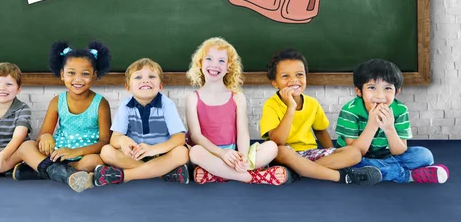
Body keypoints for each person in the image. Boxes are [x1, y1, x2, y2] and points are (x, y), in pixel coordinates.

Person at [260, 48, 381, 185]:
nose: (294, 80)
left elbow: (320, 131)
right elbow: (277, 141)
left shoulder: (312, 103)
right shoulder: (271, 105)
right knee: (281, 151)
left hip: (310, 154)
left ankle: (300, 171)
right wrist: (291, 108)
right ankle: (339, 176)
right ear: (274, 82)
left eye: (299, 74)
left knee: (354, 153)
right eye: (285, 76)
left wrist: (332, 152)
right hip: (285, 155)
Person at [186, 37, 293, 185]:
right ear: (200, 63)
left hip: (234, 154)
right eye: (209, 59)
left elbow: (242, 132)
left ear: (229, 67)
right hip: (209, 153)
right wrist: (222, 154)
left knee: (272, 147)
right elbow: (196, 136)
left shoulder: (237, 97)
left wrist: (242, 157)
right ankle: (251, 177)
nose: (214, 65)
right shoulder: (193, 98)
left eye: (221, 61)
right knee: (194, 152)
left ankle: (218, 175)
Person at [11, 40, 112, 193]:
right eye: (71, 73)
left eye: (85, 74)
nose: (78, 79)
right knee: (27, 146)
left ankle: (46, 171)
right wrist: (46, 137)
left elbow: (105, 141)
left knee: (95, 161)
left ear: (94, 75)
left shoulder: (101, 103)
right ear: (62, 75)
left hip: (85, 154)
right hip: (57, 154)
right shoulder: (57, 101)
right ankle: (65, 175)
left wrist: (76, 152)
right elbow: (42, 135)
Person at [335, 58, 449, 184]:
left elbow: (399, 150)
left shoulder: (400, 110)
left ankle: (373, 172)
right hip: (355, 156)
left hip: (385, 155)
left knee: (424, 155)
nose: (380, 96)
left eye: (387, 88)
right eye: (372, 87)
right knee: (346, 162)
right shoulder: (350, 110)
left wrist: (389, 128)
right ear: (359, 91)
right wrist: (372, 125)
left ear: (397, 91)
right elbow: (355, 151)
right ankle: (407, 175)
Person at [94, 58, 189, 186]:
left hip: (161, 154)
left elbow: (179, 138)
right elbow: (114, 139)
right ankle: (163, 173)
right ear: (127, 87)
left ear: (160, 86)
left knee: (182, 153)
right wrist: (123, 141)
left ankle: (125, 176)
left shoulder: (167, 105)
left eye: (152, 76)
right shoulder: (126, 106)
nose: (145, 80)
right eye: (138, 77)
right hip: (135, 156)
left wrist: (153, 149)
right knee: (106, 151)